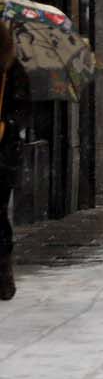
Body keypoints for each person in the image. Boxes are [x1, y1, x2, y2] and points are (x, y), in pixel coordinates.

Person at [0, 24, 30, 300]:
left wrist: (8, 124)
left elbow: (22, 109)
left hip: (3, 155)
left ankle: (3, 273)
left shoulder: (13, 71)